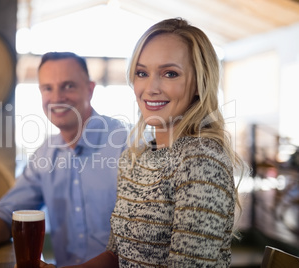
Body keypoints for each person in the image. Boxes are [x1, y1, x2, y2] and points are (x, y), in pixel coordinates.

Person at [43, 17, 248, 268]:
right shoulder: (136, 157)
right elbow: (117, 255)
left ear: (199, 83)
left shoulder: (201, 160)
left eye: (169, 73)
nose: (150, 88)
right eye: (142, 73)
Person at [0, 52, 129, 267]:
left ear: (90, 89)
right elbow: (6, 214)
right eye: (47, 88)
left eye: (68, 86)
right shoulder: (46, 153)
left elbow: (140, 243)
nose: (57, 97)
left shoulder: (125, 145)